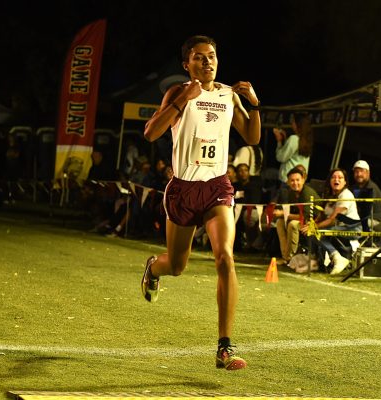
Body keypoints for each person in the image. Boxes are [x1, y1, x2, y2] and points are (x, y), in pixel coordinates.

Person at [140, 35, 260, 370]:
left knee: (225, 257)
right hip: (182, 189)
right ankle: (154, 267)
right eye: (198, 58)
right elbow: (150, 133)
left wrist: (253, 104)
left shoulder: (227, 94)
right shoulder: (178, 93)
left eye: (211, 57)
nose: (207, 63)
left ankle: (225, 347)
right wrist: (182, 102)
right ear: (186, 64)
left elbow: (251, 136)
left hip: (217, 187)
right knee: (177, 267)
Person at [301, 168, 361, 275]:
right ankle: (315, 261)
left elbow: (332, 220)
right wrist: (312, 224)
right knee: (310, 231)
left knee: (316, 232)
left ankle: (337, 257)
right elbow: (322, 215)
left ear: (345, 182)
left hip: (352, 228)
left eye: (340, 177)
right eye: (333, 177)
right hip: (337, 227)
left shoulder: (346, 195)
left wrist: (315, 227)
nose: (336, 179)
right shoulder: (329, 195)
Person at [273, 167, 319, 264]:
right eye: (292, 181)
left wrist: (283, 214)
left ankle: (288, 257)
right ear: (288, 182)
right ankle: (285, 256)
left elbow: (304, 216)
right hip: (303, 221)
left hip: (314, 222)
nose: (295, 183)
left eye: (298, 180)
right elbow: (291, 211)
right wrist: (280, 213)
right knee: (280, 222)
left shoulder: (307, 193)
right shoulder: (291, 193)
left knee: (293, 224)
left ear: (303, 180)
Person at [273, 113, 313, 189]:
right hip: (300, 180)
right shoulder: (307, 140)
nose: (292, 124)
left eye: (293, 122)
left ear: (298, 124)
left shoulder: (294, 139)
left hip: (288, 180)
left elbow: (280, 157)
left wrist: (279, 142)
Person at [349, 160, 381, 229]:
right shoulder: (355, 188)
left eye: (362, 171)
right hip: (369, 219)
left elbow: (364, 210)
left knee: (351, 224)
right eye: (356, 172)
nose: (359, 174)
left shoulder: (371, 187)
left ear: (368, 173)